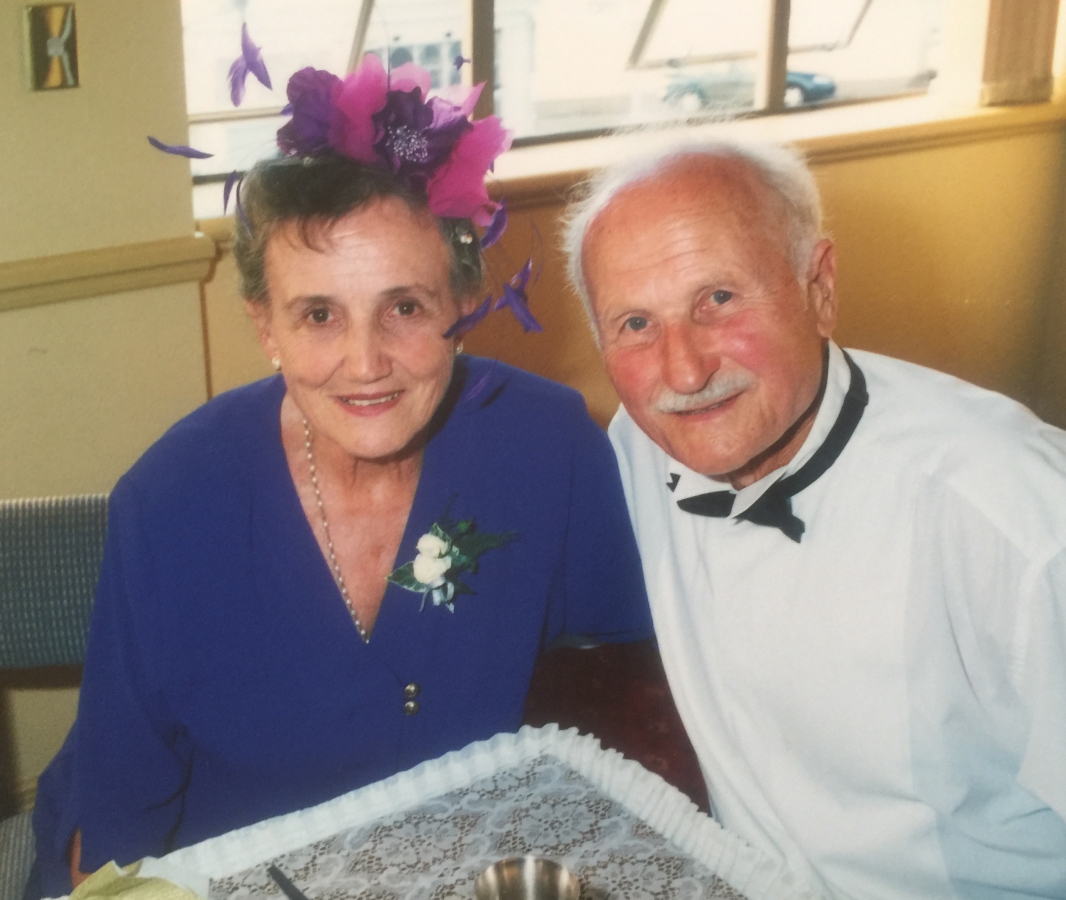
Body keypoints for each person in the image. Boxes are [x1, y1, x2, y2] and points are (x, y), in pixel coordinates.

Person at [26, 57, 651, 900]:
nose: (366, 365)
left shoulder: (547, 447)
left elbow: (630, 682)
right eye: (319, 314)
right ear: (265, 326)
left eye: (405, 307)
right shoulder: (170, 503)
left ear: (462, 301)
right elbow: (115, 835)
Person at [563, 139, 1066, 899]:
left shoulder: (1009, 516)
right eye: (636, 323)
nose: (685, 371)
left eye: (719, 300)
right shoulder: (638, 441)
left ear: (820, 288)